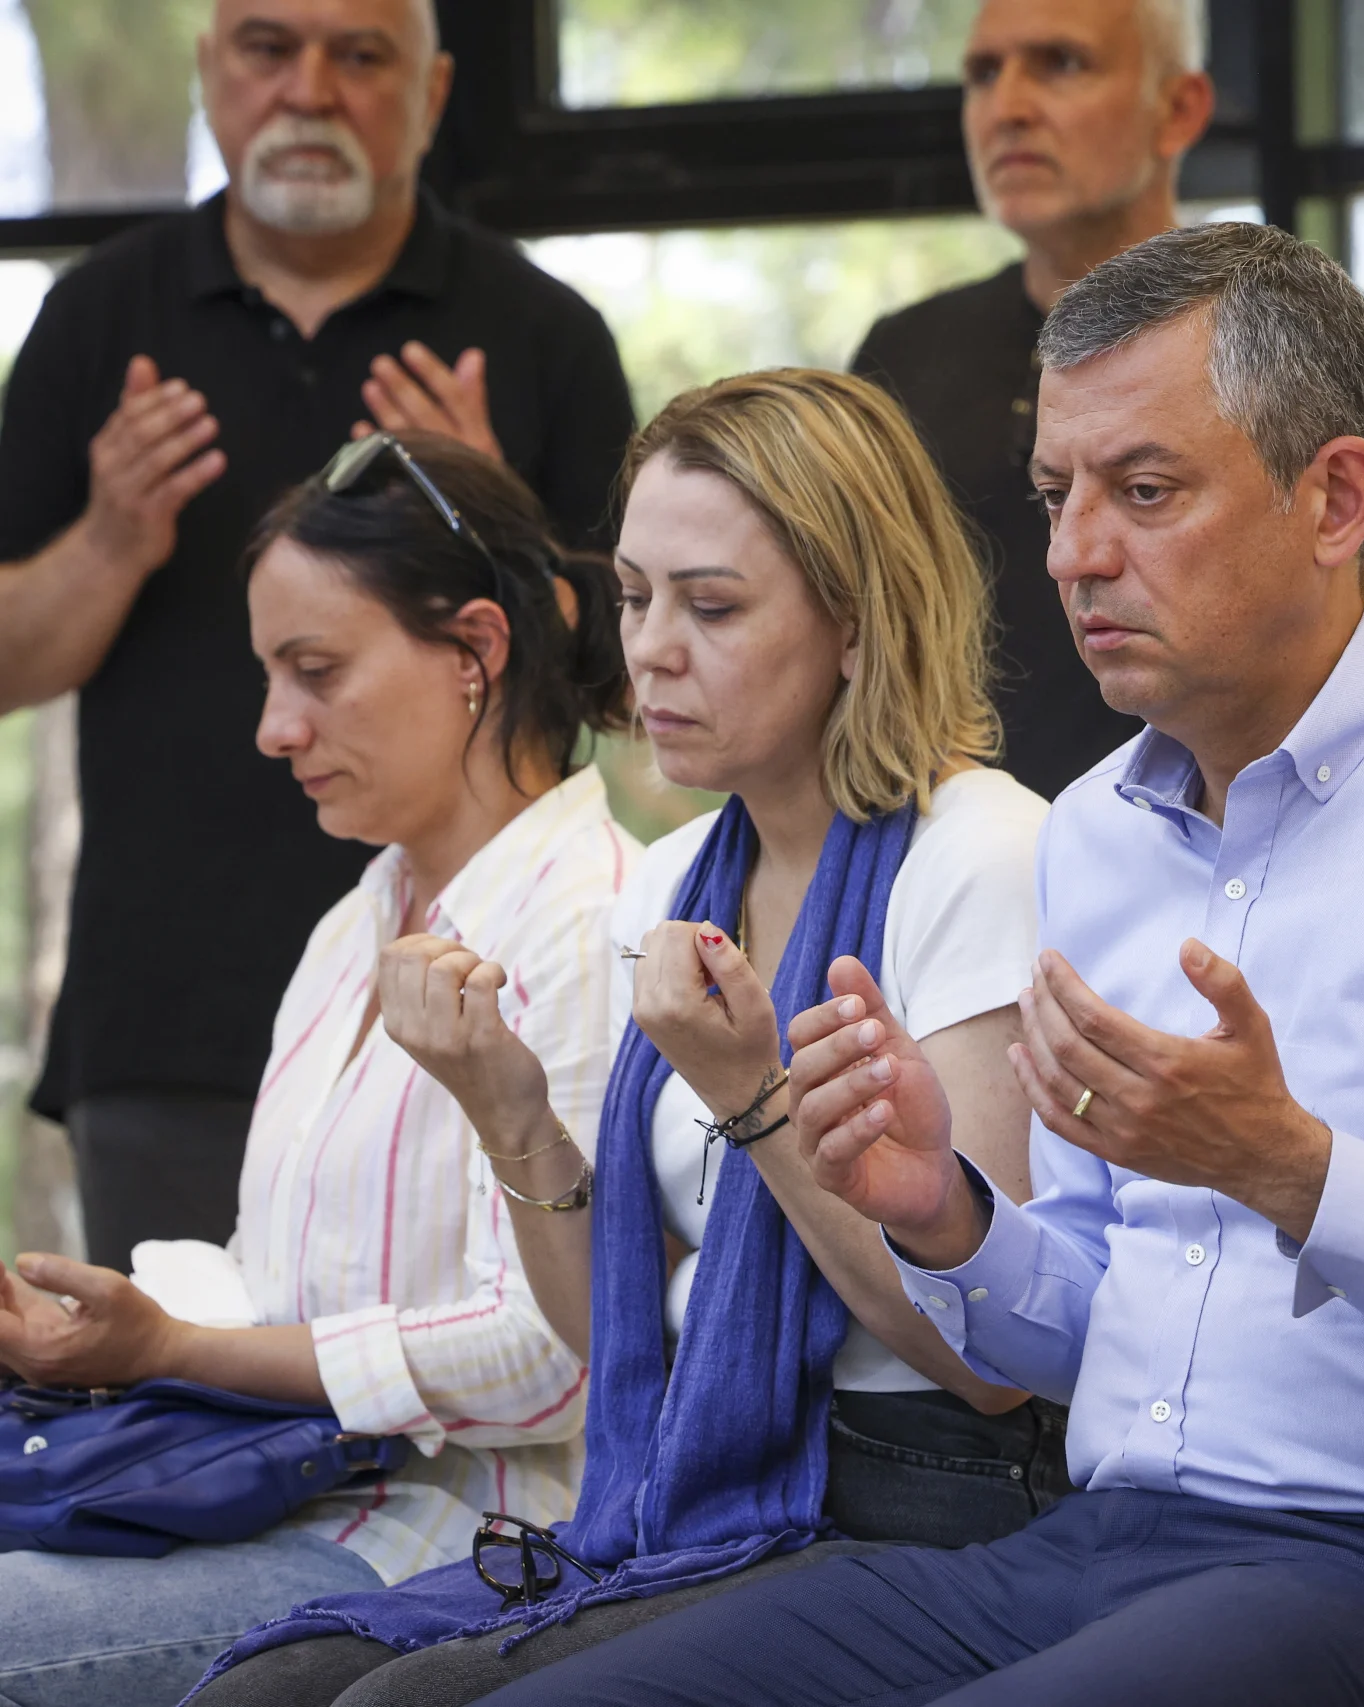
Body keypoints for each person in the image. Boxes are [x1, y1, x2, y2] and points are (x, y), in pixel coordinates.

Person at [458, 223, 1364, 1707]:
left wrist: (1295, 1168)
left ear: (1336, 497)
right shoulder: (1095, 832)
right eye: (1058, 495)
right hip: (1095, 1535)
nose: (1074, 552)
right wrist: (939, 1211)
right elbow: (1078, 1328)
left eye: (1145, 491)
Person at [188, 369, 1058, 1707]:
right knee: (267, 1683)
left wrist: (752, 1096)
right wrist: (507, 1108)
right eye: (638, 597)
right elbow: (609, 1330)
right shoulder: (677, 878)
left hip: (932, 1490)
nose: (649, 648)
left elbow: (987, 1366)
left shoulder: (980, 853)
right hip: (696, 1471)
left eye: (710, 606)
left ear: (855, 621)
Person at [0, 434, 636, 1707]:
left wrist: (177, 1346)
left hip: (454, 1546)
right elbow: (282, 1282)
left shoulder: (594, 921)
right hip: (266, 1486)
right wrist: (103, 1333)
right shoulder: (356, 923)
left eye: (316, 672)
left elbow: (554, 1356)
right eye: (269, 676)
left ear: (475, 653)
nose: (274, 729)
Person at [0, 0, 635, 1271]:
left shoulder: (538, 332)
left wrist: (493, 519)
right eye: (268, 47)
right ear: (207, 71)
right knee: (184, 1416)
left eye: (360, 56)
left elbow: (631, 676)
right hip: (167, 1008)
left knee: (465, 1381)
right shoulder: (98, 320)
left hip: (484, 986)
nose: (310, 89)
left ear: (435, 92)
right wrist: (115, 537)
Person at [853, 0, 1364, 798]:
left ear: (1180, 107)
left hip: (1277, 822)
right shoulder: (903, 358)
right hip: (961, 850)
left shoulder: (1311, 337)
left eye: (1061, 63)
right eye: (983, 73)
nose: (1009, 107)